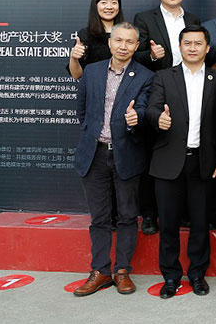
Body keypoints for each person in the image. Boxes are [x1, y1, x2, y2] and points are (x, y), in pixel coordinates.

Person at [145, 25, 216, 299]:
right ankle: (170, 277)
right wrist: (158, 118)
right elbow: (151, 108)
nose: (192, 48)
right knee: (168, 224)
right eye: (187, 43)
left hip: (203, 162)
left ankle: (197, 274)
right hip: (168, 161)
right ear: (179, 47)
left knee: (200, 223)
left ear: (207, 48)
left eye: (198, 43)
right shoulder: (163, 77)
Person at [72, 22, 154, 296]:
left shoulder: (145, 76)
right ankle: (100, 271)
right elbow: (82, 111)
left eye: (129, 42)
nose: (123, 46)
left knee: (128, 216)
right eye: (118, 40)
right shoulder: (92, 71)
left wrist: (135, 118)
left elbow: (144, 109)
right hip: (94, 154)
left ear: (136, 46)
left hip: (126, 153)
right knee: (99, 218)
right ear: (110, 42)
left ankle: (122, 271)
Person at [133, 0, 201, 234]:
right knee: (153, 152)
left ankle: (180, 212)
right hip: (156, 89)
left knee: (182, 150)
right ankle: (150, 214)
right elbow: (133, 55)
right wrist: (152, 56)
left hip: (188, 88)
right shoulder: (144, 18)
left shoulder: (192, 19)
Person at [68, 0, 125, 80]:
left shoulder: (127, 33)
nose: (109, 7)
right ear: (96, 5)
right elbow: (76, 75)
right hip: (94, 86)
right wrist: (74, 58)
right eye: (104, 2)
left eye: (114, 2)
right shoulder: (86, 34)